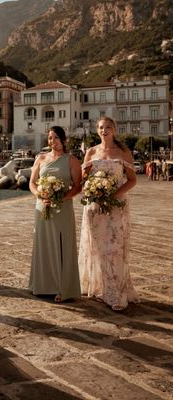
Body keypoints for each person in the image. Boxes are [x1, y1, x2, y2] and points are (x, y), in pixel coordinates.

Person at [79, 116, 138, 311]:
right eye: (101, 127)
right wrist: (90, 184)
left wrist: (113, 195)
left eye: (108, 127)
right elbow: (82, 180)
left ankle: (115, 294)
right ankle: (97, 287)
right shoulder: (91, 152)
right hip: (94, 208)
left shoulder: (123, 152)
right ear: (97, 130)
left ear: (114, 129)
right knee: (96, 248)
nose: (104, 130)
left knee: (114, 249)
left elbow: (131, 180)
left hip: (116, 207)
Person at [28, 126, 82, 303]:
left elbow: (77, 186)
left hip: (62, 208)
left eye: (56, 138)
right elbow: (32, 183)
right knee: (43, 244)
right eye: (50, 138)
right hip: (42, 206)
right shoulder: (41, 158)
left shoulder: (71, 160)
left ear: (64, 140)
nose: (52, 141)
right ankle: (42, 285)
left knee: (62, 245)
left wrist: (61, 198)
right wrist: (40, 195)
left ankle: (63, 287)